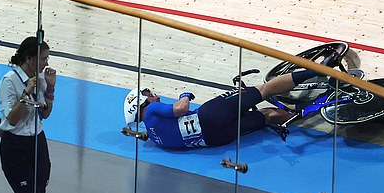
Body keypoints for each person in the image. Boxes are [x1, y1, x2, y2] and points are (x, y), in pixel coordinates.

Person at [121, 69, 322, 148]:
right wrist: (185, 94)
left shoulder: (156, 140)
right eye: (147, 93)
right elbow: (182, 108)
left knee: (267, 116)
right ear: (143, 102)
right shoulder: (153, 112)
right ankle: (317, 71)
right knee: (264, 90)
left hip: (217, 139)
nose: (152, 94)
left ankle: (316, 112)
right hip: (211, 116)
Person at [0, 36, 60, 193]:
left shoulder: (41, 79)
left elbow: (44, 114)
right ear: (30, 59)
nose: (46, 63)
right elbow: (12, 119)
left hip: (37, 143)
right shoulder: (9, 81)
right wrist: (26, 93)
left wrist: (51, 88)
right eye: (43, 59)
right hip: (15, 148)